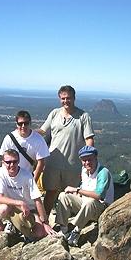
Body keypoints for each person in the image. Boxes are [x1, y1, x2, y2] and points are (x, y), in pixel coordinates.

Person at [38, 85, 95, 215]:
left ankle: (67, 224)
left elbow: (89, 139)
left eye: (68, 98)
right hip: (52, 163)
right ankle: (45, 220)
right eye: (63, 98)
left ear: (74, 98)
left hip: (73, 165)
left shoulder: (83, 116)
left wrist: (89, 161)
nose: (65, 101)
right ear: (59, 99)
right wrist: (25, 133)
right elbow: (42, 131)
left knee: (70, 195)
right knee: (50, 193)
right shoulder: (54, 113)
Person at [55, 145, 114, 247]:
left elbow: (98, 195)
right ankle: (64, 231)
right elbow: (84, 187)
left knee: (89, 202)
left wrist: (77, 190)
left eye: (89, 159)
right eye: (84, 160)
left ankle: (76, 231)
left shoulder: (103, 172)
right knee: (63, 196)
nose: (87, 163)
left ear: (95, 158)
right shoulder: (84, 171)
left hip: (101, 208)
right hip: (85, 205)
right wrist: (75, 193)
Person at [0, 149, 56, 241]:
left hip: (30, 209)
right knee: (3, 209)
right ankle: (10, 223)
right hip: (11, 207)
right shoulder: (0, 173)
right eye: (8, 162)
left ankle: (22, 228)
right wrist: (20, 203)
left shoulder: (26, 175)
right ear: (3, 162)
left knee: (40, 233)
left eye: (14, 162)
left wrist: (45, 222)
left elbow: (37, 199)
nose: (12, 165)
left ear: (18, 161)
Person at [0, 110, 50, 183]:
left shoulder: (38, 139)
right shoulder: (9, 138)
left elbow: (41, 163)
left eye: (26, 123)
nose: (23, 126)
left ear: (30, 123)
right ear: (16, 124)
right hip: (10, 178)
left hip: (28, 178)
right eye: (20, 124)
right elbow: (3, 160)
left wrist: (33, 183)